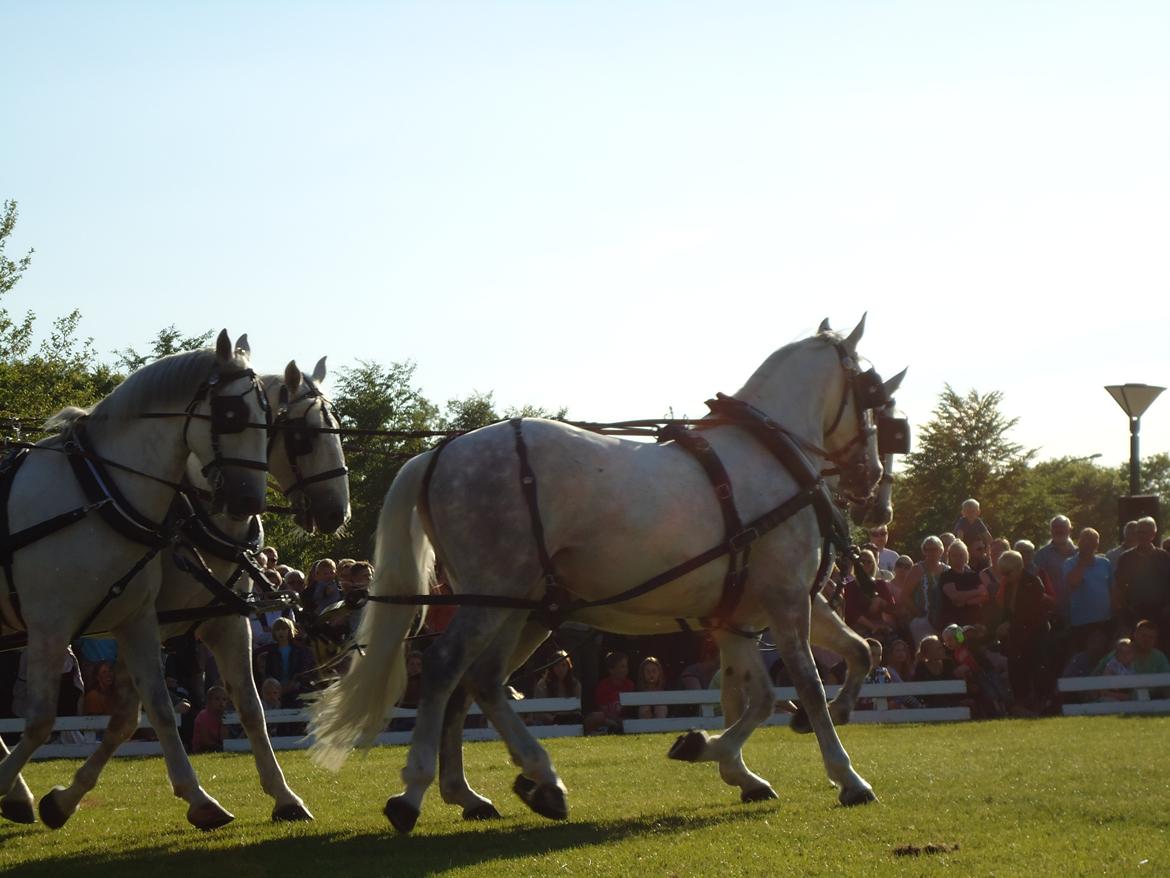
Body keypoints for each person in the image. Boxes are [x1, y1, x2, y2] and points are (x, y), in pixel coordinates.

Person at [997, 549, 1053, 715]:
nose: (1004, 576)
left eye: (1008, 572)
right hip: (1017, 636)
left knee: (1037, 668)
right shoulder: (1008, 585)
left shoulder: (1033, 582)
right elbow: (1008, 611)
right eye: (1002, 573)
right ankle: (1021, 703)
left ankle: (1042, 704)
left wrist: (1009, 625)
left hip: (1035, 633)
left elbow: (1029, 613)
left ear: (1019, 567)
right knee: (1016, 669)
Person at [1112, 517, 1170, 648]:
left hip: (1161, 614)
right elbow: (1119, 586)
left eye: (1144, 532)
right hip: (1135, 613)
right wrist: (1125, 609)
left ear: (1153, 534)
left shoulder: (1164, 557)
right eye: (1138, 532)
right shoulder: (1126, 558)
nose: (1141, 536)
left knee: (1161, 648)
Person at [1062, 527, 1114, 649]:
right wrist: (1082, 562)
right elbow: (1073, 583)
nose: (1088, 545)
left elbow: (1112, 588)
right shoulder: (1069, 563)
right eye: (1085, 541)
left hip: (1104, 619)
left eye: (1092, 541)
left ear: (1097, 544)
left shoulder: (1105, 563)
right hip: (1081, 621)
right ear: (1078, 543)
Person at [254, 617, 316, 708]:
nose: (280, 632)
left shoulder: (301, 651)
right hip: (275, 692)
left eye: (283, 629)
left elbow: (304, 672)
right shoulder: (271, 652)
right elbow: (268, 673)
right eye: (277, 630)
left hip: (296, 691)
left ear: (289, 631)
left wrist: (294, 684)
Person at [902, 536, 948, 646]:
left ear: (941, 551)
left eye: (935, 549)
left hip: (943, 620)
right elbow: (904, 596)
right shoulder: (918, 569)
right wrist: (918, 613)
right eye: (928, 550)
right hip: (923, 620)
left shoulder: (947, 570)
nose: (931, 553)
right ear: (924, 551)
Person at [1034, 515, 1077, 619]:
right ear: (1051, 530)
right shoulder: (1042, 555)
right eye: (1055, 527)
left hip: (1078, 611)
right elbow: (1036, 583)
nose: (1059, 530)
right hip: (1053, 613)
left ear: (1070, 530)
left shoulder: (1079, 553)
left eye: (1062, 526)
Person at [938, 540, 987, 628]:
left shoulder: (973, 575)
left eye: (961, 555)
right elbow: (955, 596)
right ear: (949, 557)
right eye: (954, 555)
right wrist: (976, 592)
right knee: (958, 638)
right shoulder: (946, 576)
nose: (958, 558)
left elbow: (984, 594)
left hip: (974, 619)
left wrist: (966, 602)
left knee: (981, 635)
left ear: (966, 556)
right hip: (953, 621)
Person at [585, 651, 633, 734]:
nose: (626, 669)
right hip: (607, 719)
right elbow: (603, 710)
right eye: (622, 666)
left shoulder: (630, 685)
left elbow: (630, 710)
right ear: (611, 670)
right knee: (595, 717)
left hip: (624, 719)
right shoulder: (603, 686)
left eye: (626, 666)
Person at [532, 650, 583, 725]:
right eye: (557, 665)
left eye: (563, 665)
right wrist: (555, 720)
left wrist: (567, 720)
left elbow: (577, 711)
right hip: (548, 723)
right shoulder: (542, 684)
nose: (560, 669)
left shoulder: (575, 684)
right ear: (551, 667)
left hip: (570, 721)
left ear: (568, 667)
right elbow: (539, 712)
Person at [191, 685, 229, 753]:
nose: (221, 702)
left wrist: (223, 724)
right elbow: (205, 740)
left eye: (224, 699)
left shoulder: (224, 716)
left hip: (217, 745)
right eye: (217, 699)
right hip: (202, 748)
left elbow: (224, 739)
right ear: (209, 701)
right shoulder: (203, 716)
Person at [635, 656, 669, 720]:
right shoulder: (636, 690)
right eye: (647, 671)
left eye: (654, 671)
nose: (651, 674)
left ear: (659, 673)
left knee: (661, 706)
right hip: (642, 723)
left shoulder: (666, 689)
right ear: (642, 673)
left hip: (661, 721)